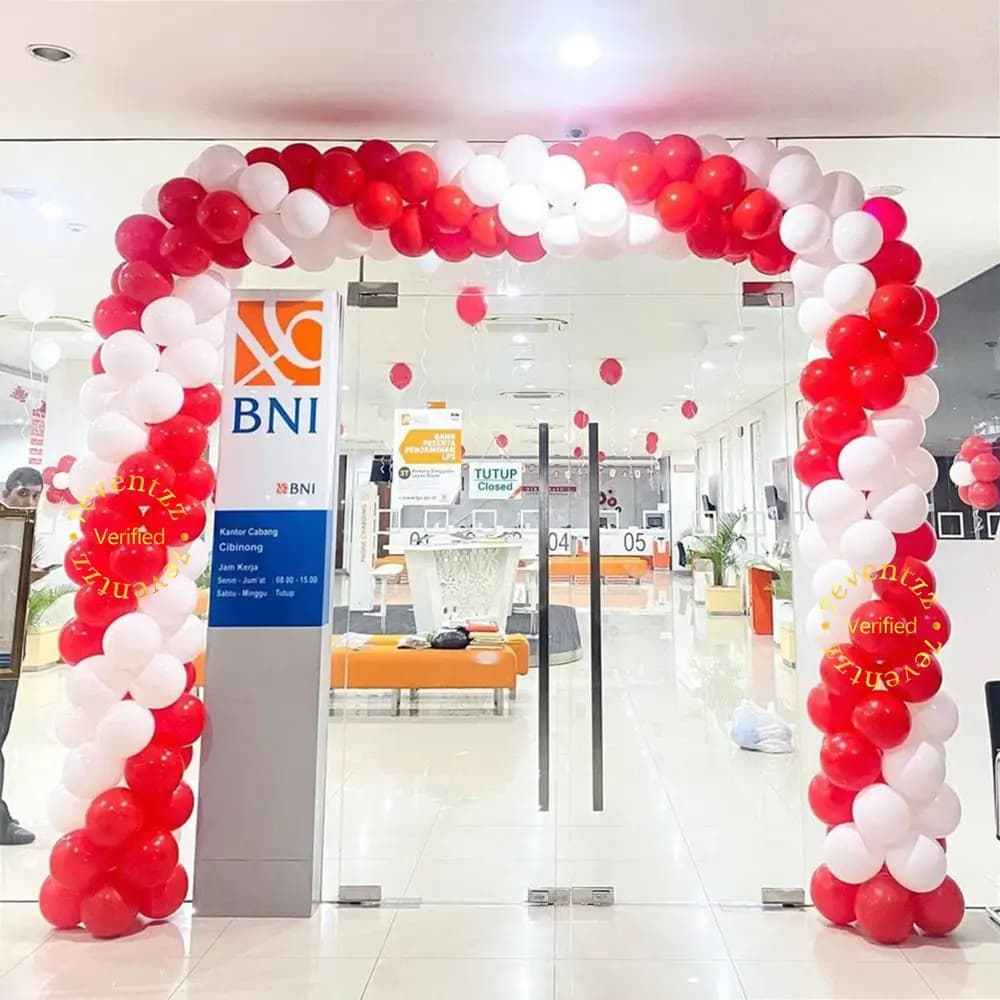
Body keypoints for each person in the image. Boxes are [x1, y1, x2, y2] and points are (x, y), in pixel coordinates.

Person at [0, 466, 44, 846]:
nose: (29, 502)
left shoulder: (29, 534)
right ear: (6, 491)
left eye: (35, 496)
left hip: (7, 651)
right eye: (23, 494)